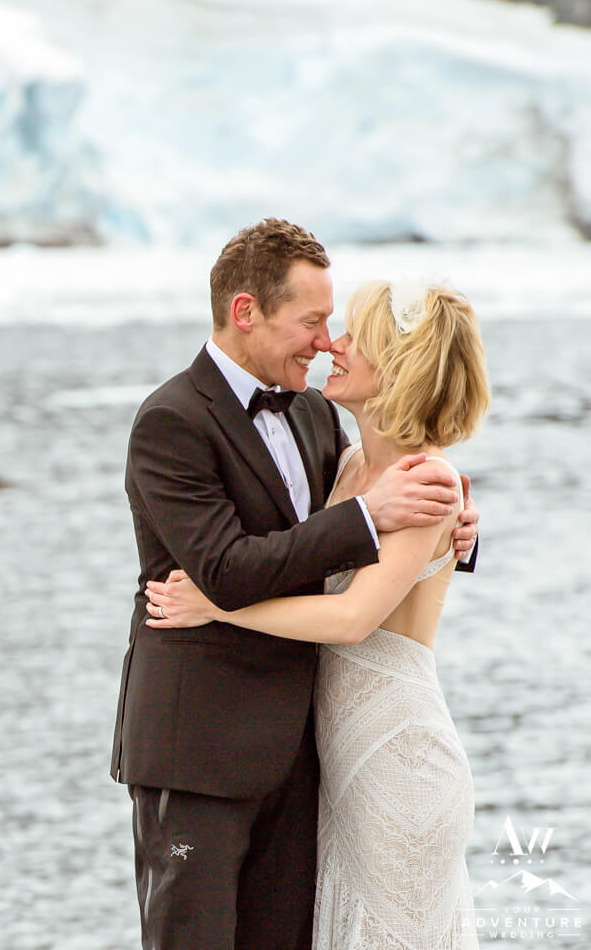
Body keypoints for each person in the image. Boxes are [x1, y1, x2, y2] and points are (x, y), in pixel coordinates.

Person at [107, 218, 480, 950]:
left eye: (337, 326)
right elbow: (229, 564)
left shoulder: (317, 419)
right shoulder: (171, 421)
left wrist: (456, 530)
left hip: (317, 757)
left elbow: (377, 543)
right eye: (312, 321)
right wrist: (379, 520)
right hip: (200, 760)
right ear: (247, 312)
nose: (325, 341)